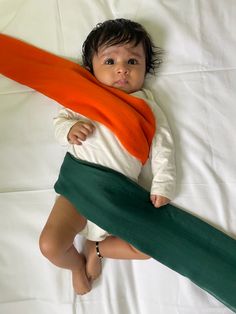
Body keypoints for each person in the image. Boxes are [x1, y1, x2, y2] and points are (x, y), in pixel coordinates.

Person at [39, 18, 176, 295]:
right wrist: (69, 129)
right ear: (91, 68)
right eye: (110, 61)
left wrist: (163, 183)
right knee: (50, 245)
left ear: (145, 68)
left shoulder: (145, 105)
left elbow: (164, 145)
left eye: (133, 62)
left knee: (147, 247)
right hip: (80, 189)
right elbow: (61, 118)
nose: (122, 69)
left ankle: (97, 247)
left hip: (119, 195)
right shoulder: (88, 95)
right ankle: (76, 265)